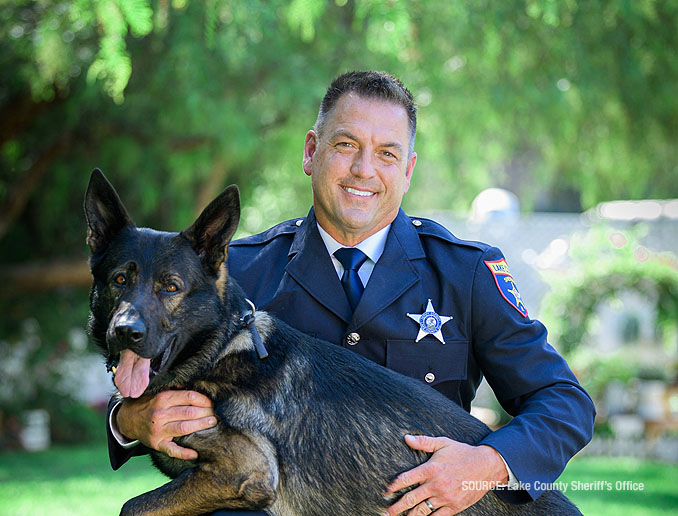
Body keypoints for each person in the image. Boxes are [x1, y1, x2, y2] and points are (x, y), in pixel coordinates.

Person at [107, 71, 595, 515]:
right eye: (345, 145)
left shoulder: (463, 271)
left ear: (408, 170)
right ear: (310, 152)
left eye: (387, 153)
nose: (364, 168)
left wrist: (485, 464)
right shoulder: (239, 273)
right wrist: (130, 419)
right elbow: (149, 363)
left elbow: (563, 402)